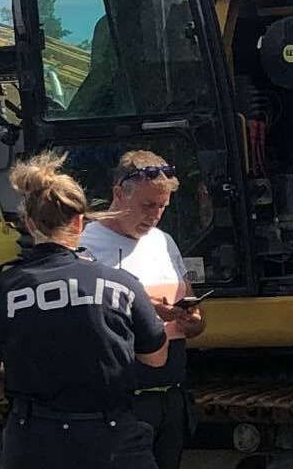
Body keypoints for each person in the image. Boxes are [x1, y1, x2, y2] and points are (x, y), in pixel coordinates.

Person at [0, 150, 169, 469]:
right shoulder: (122, 285)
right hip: (112, 442)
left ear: (29, 222)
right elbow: (156, 358)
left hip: (34, 442)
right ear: (78, 221)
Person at [80, 150, 205, 469]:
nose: (155, 216)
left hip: (172, 395)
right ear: (119, 193)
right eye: (148, 205)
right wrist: (144, 311)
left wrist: (192, 320)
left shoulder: (163, 241)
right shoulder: (85, 246)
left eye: (162, 206)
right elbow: (84, 320)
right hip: (123, 402)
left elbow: (190, 300)